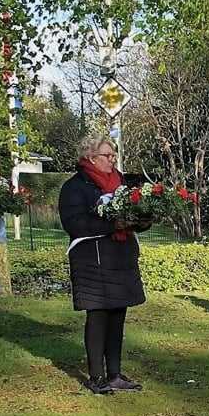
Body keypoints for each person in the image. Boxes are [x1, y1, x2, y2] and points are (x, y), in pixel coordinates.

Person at [59, 135, 151, 394]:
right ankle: (96, 376)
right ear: (91, 158)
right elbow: (74, 223)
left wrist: (142, 221)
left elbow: (133, 214)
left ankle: (115, 374)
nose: (112, 160)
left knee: (118, 317)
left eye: (113, 155)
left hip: (120, 257)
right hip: (93, 260)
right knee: (98, 316)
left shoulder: (120, 183)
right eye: (107, 156)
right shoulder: (75, 187)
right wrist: (112, 225)